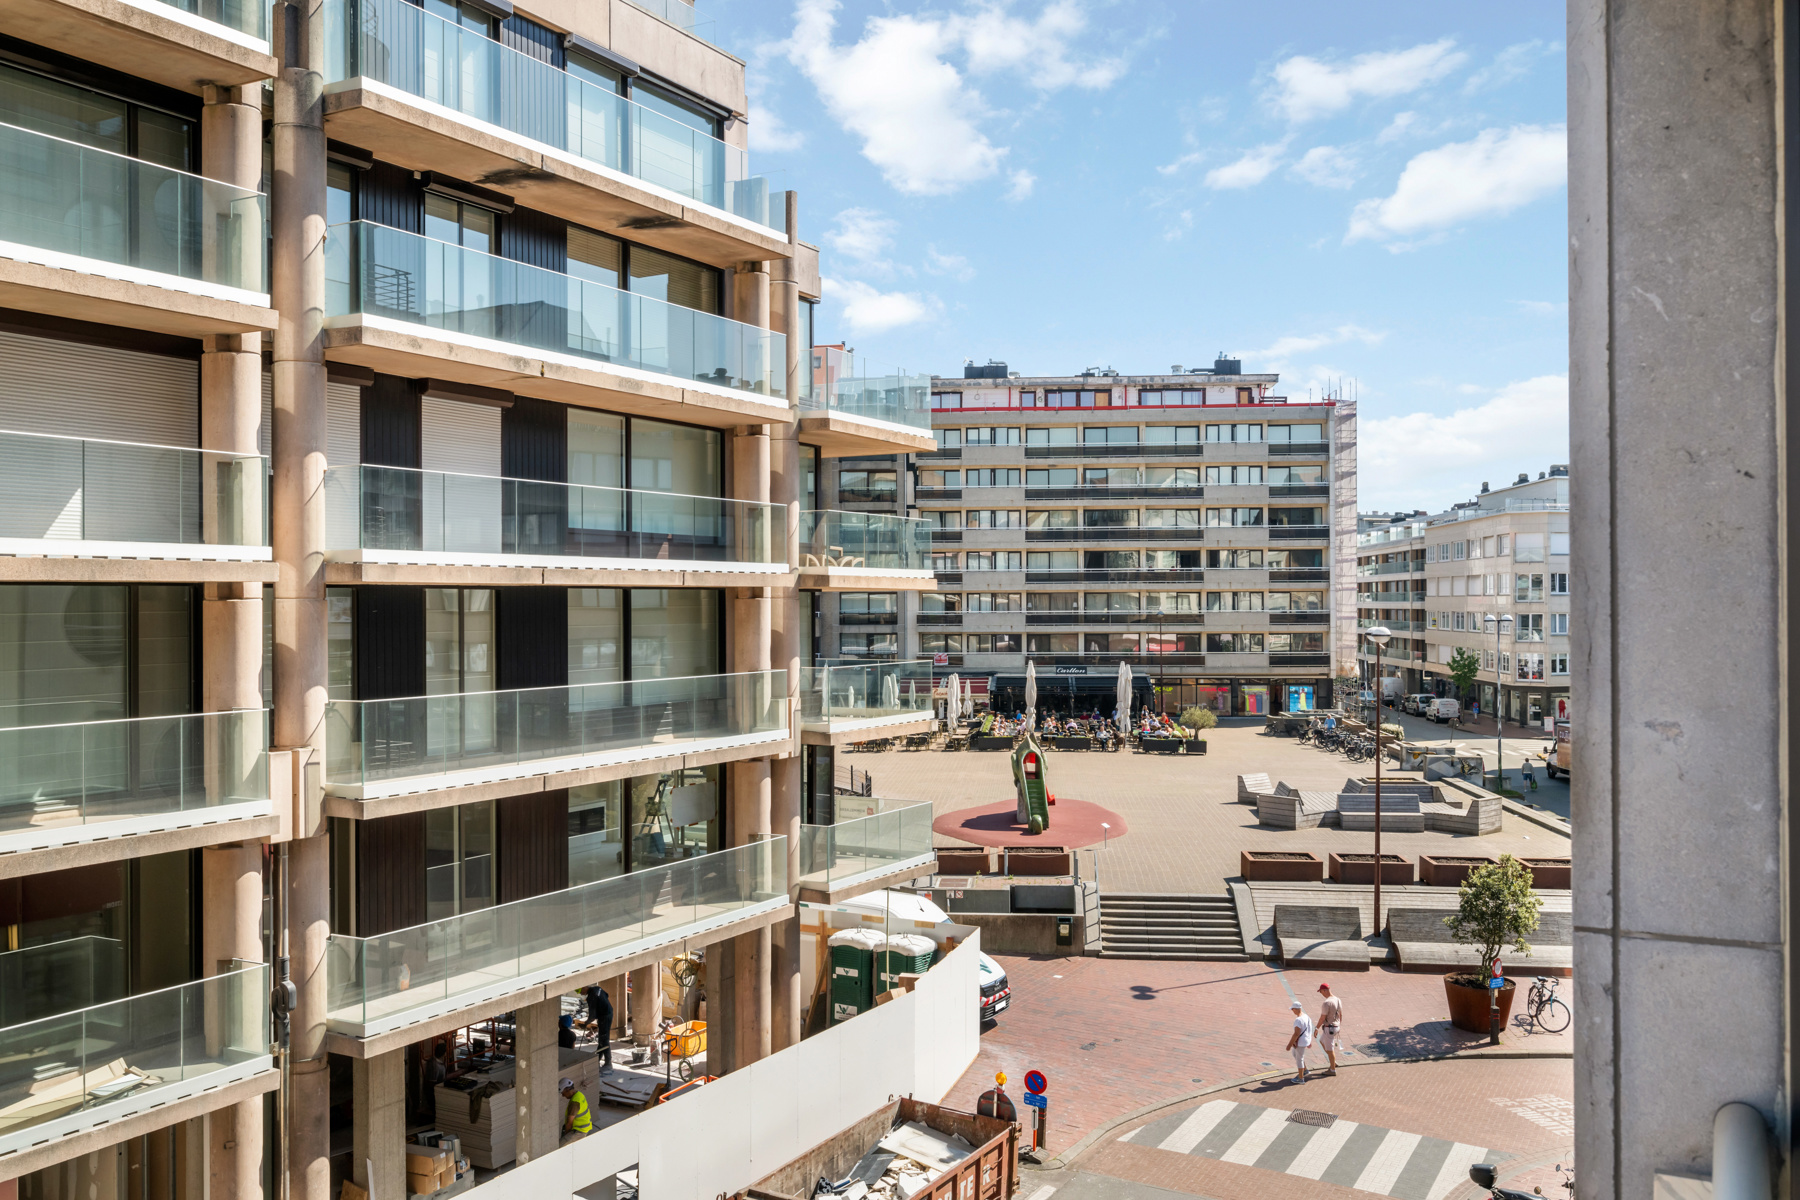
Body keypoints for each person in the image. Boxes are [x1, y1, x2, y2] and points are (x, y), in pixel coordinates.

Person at [1316, 983, 1343, 1075]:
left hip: (1329, 1028)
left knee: (1330, 1049)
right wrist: (1339, 1025)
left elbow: (1322, 1018)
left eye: (1321, 992)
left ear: (1324, 990)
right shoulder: (1338, 999)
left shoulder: (1326, 1003)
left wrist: (1316, 1028)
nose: (1321, 994)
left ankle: (1332, 1070)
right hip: (1336, 1026)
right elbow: (1340, 1014)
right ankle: (1333, 1062)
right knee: (1322, 1041)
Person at [585, 985, 614, 1074]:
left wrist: (587, 1022)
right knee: (602, 1039)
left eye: (579, 990)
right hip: (608, 1013)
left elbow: (592, 1015)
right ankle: (597, 1060)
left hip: (604, 1017)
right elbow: (607, 995)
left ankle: (608, 1063)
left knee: (604, 1040)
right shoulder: (597, 988)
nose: (580, 993)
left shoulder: (591, 997)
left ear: (584, 987)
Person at [1286, 1001, 1314, 1082]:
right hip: (1305, 1040)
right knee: (1295, 1054)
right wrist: (1309, 1040)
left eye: (1293, 1009)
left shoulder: (1298, 1020)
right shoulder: (1306, 1016)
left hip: (1300, 1042)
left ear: (1297, 1009)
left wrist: (1289, 1045)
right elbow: (1309, 1029)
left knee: (1299, 1059)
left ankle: (1301, 1078)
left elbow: (1296, 1034)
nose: (1292, 1011)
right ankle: (1304, 1070)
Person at [559, 1077, 592, 1142]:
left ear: (567, 1090)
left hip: (579, 1131)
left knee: (559, 1149)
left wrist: (566, 1137)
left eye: (563, 1093)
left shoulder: (575, 1102)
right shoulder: (579, 1094)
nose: (563, 1095)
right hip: (583, 1127)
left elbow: (569, 1123)